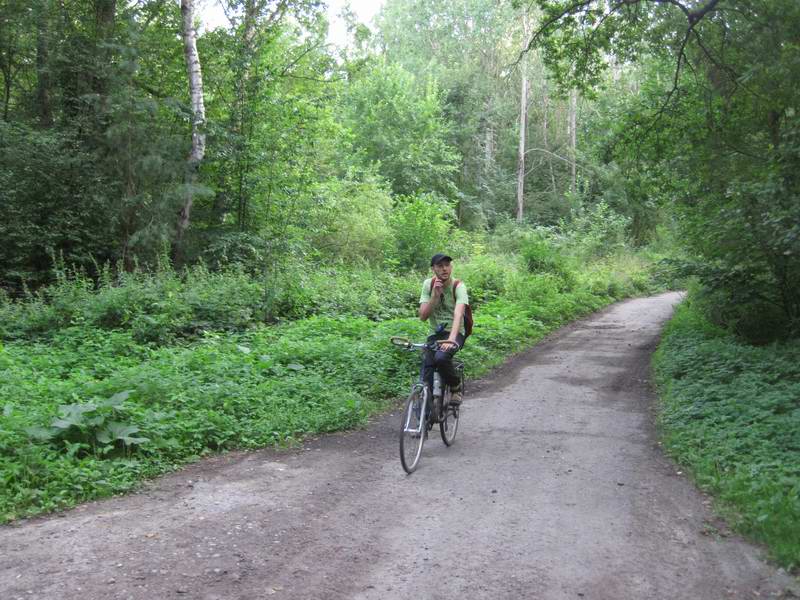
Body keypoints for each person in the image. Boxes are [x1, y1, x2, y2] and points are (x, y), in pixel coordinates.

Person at [419, 253, 468, 404]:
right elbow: (423, 316)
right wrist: (434, 297)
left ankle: (455, 386)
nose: (444, 269)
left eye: (447, 265)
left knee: (441, 357)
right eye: (440, 266)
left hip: (455, 332)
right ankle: (426, 417)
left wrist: (451, 339)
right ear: (433, 269)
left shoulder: (458, 286)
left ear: (451, 267)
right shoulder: (428, 284)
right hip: (435, 334)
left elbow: (458, 314)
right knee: (427, 371)